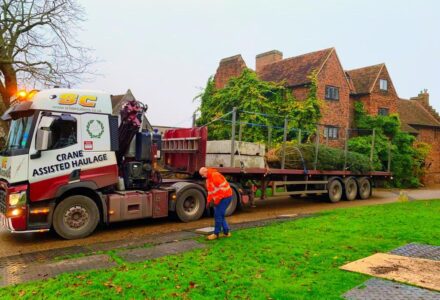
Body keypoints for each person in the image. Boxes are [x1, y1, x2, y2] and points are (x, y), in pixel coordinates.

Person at [199, 167, 233, 240]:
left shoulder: (215, 175)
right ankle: (226, 232)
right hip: (220, 198)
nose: (202, 177)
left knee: (218, 215)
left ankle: (216, 233)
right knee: (220, 215)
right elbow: (210, 192)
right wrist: (208, 201)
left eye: (202, 175)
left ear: (205, 172)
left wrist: (216, 201)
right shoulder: (208, 179)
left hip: (225, 197)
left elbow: (222, 189)